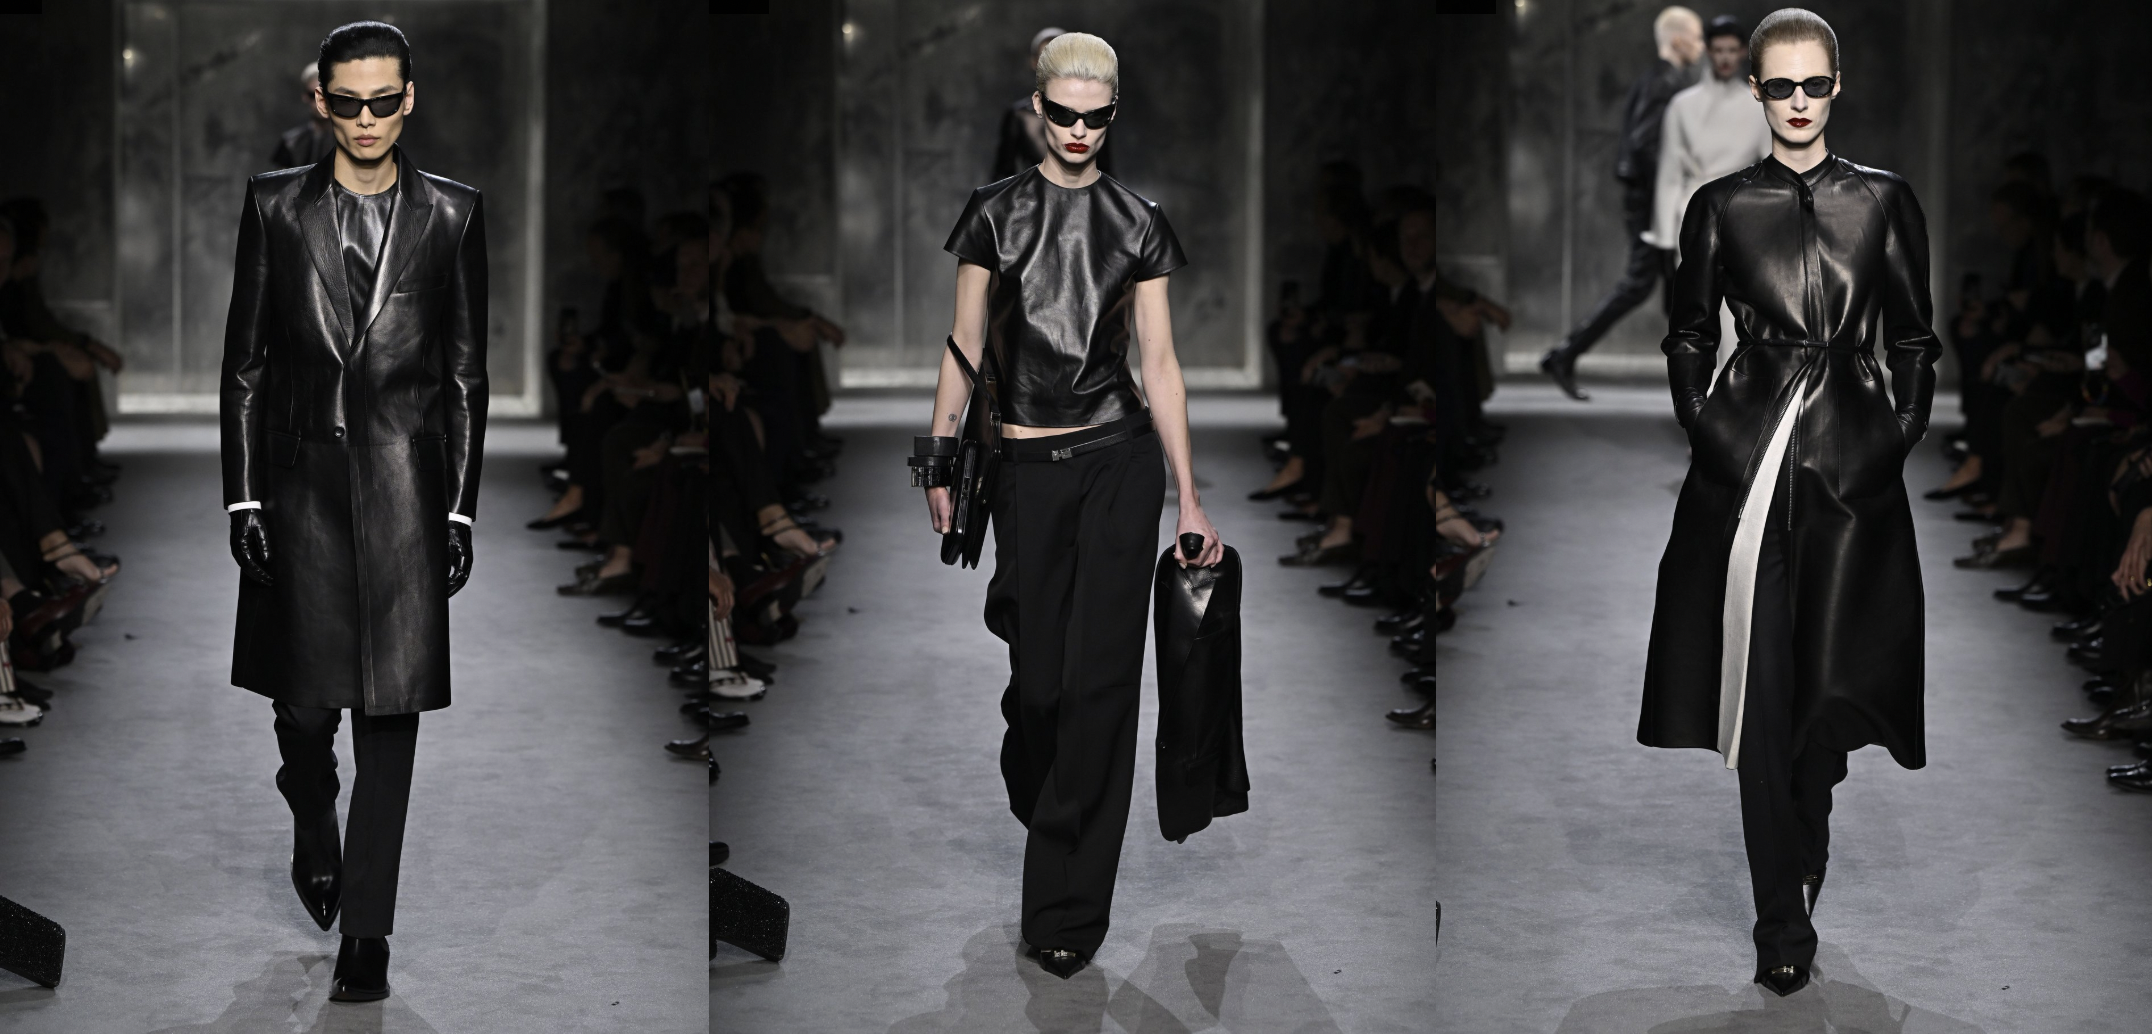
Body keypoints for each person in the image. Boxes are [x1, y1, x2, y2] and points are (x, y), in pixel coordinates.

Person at [1636, 8, 1938, 997]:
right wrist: (1706, 427)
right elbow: (1688, 332)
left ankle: (1809, 827)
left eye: (1814, 84)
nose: (1798, 102)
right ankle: (1780, 921)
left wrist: (1895, 434)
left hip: (1854, 473)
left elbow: (1913, 336)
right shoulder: (1720, 206)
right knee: (1763, 696)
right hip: (1748, 472)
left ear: (1836, 86)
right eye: (1781, 86)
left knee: (1825, 700)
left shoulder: (1884, 200)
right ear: (1757, 90)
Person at [917, 31, 1220, 980]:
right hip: (1023, 471)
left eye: (1096, 116)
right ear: (1036, 108)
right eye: (1062, 113)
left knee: (1101, 690)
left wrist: (1190, 498)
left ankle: (1065, 913)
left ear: (1112, 114)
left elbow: (1160, 365)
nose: (1079, 130)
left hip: (1118, 462)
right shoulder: (994, 213)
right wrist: (938, 456)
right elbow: (965, 345)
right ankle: (1042, 779)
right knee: (1041, 686)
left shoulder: (1140, 223)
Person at [220, 21, 487, 1004]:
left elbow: (465, 373)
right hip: (299, 488)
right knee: (303, 708)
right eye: (347, 102)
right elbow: (245, 363)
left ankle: (368, 933)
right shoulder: (274, 207)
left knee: (390, 712)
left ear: (409, 98)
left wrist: (459, 509)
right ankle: (309, 807)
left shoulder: (454, 213)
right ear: (320, 102)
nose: (366, 119)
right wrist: (243, 491)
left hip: (406, 488)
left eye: (383, 101)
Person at [1539, 6, 1702, 400]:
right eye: (1696, 37)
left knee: (1674, 288)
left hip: (1650, 199)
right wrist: (1671, 189)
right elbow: (1644, 145)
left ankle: (1694, 378)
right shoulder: (1664, 82)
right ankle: (1565, 354)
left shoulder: (1659, 80)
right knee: (1650, 284)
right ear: (1678, 40)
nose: (1701, 46)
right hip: (1652, 201)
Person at [991, 26, 1113, 182]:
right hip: (1034, 195)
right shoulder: (1019, 116)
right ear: (1034, 62)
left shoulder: (1095, 111)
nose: (1052, 65)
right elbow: (1003, 175)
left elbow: (1105, 171)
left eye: (1060, 57)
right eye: (1045, 58)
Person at [271, 61, 338, 170]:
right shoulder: (291, 143)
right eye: (314, 96)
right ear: (305, 97)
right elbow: (281, 179)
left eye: (326, 95)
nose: (320, 103)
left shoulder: (351, 141)